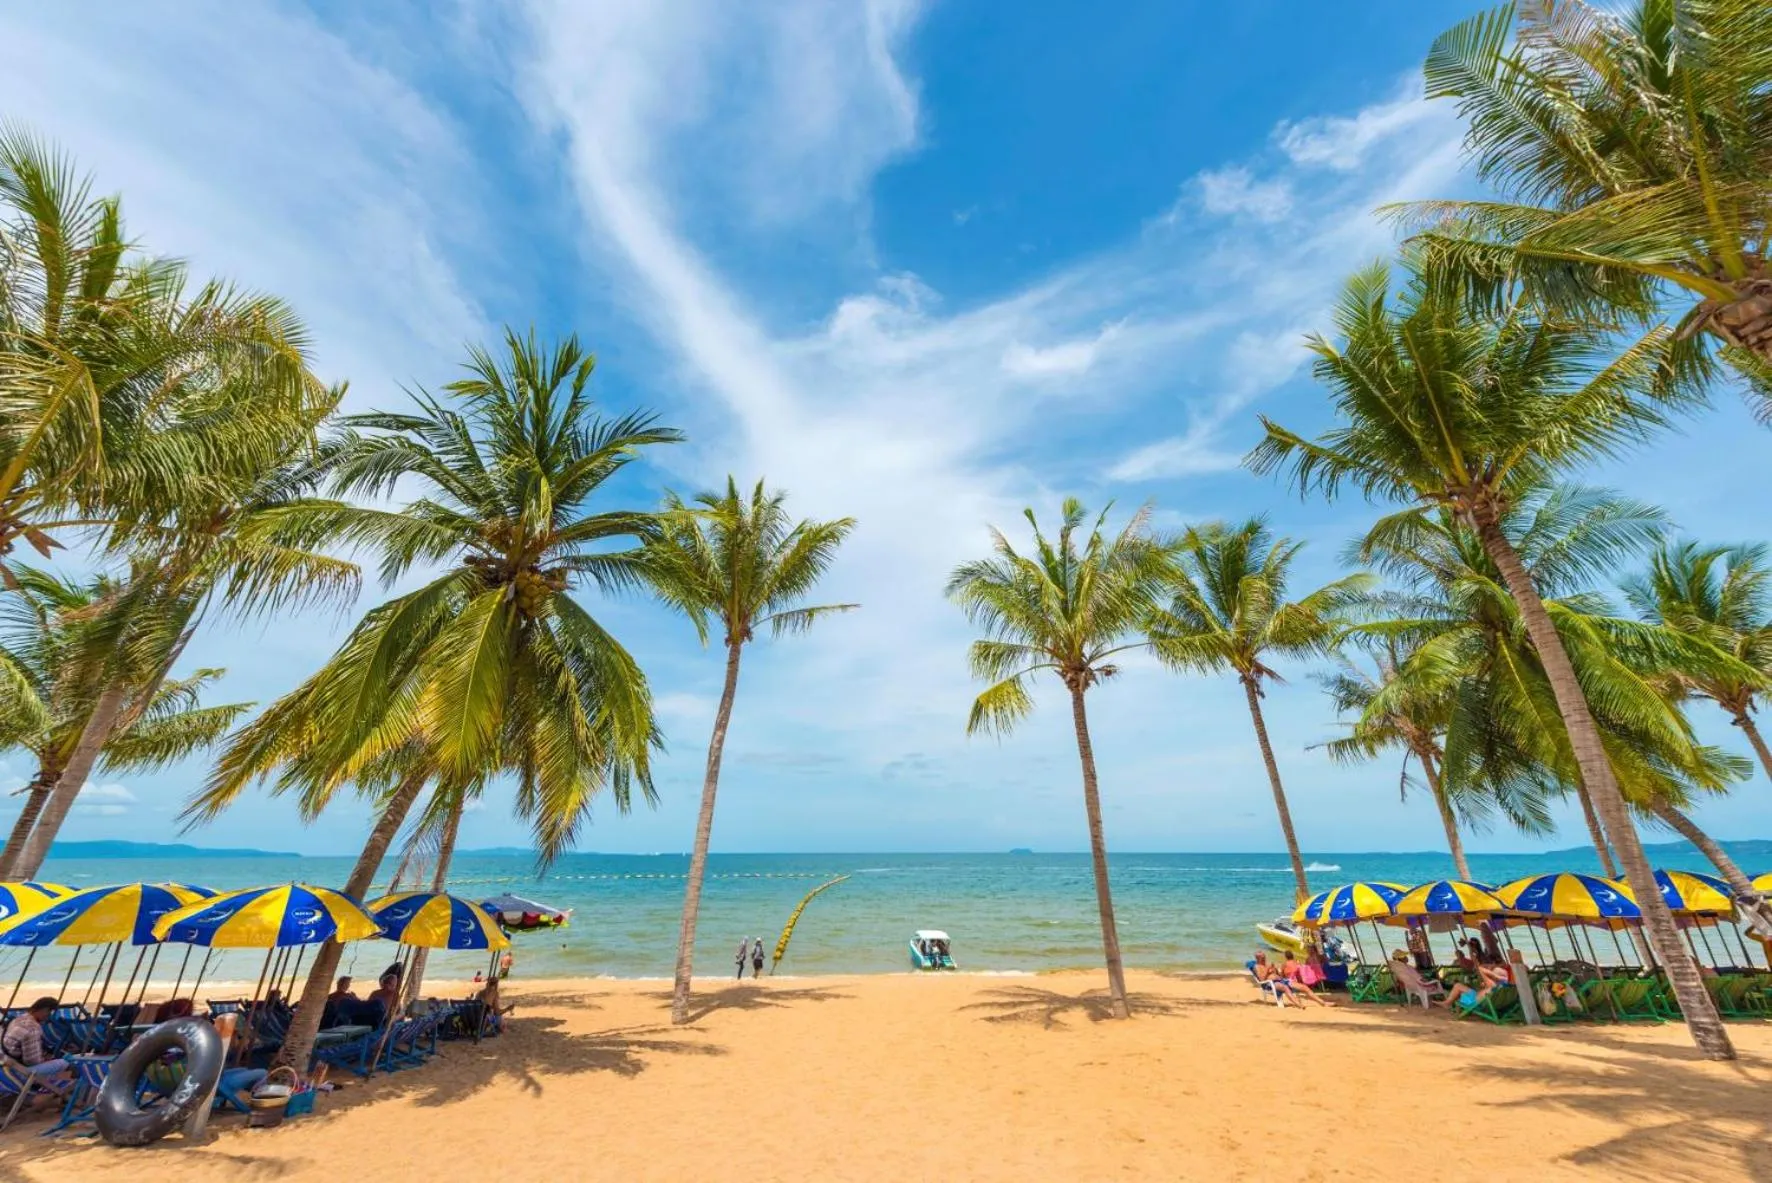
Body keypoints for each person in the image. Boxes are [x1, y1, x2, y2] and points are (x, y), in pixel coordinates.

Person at [1, 997, 73, 1094]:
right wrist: (46, 1059)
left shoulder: (18, 1020)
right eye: (49, 1012)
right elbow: (32, 1061)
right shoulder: (32, 1027)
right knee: (64, 1063)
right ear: (44, 1010)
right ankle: (59, 1092)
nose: (49, 1016)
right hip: (18, 1073)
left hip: (4, 1072)